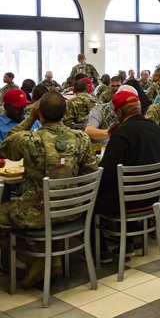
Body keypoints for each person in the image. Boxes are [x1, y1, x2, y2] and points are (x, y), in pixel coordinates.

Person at [0, 92, 97, 288]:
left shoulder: (30, 140)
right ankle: (53, 260)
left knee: (4, 212)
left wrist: (30, 118)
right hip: (73, 209)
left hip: (38, 211)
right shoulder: (81, 138)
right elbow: (91, 171)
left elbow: (5, 147)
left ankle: (33, 260)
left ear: (39, 112)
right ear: (66, 111)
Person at [96, 90, 160, 258]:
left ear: (119, 112)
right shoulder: (156, 129)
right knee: (128, 186)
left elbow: (107, 172)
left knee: (88, 200)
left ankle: (98, 250)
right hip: (154, 196)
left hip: (127, 201)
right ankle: (128, 242)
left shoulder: (122, 134)